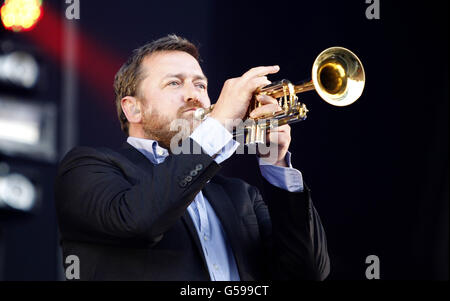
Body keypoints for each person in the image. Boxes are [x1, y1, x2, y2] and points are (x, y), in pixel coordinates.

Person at [54, 35, 330, 280]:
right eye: (174, 83)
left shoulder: (240, 195)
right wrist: (220, 124)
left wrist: (276, 163)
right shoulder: (85, 168)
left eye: (200, 85)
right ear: (133, 109)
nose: (194, 96)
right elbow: (139, 223)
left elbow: (307, 272)